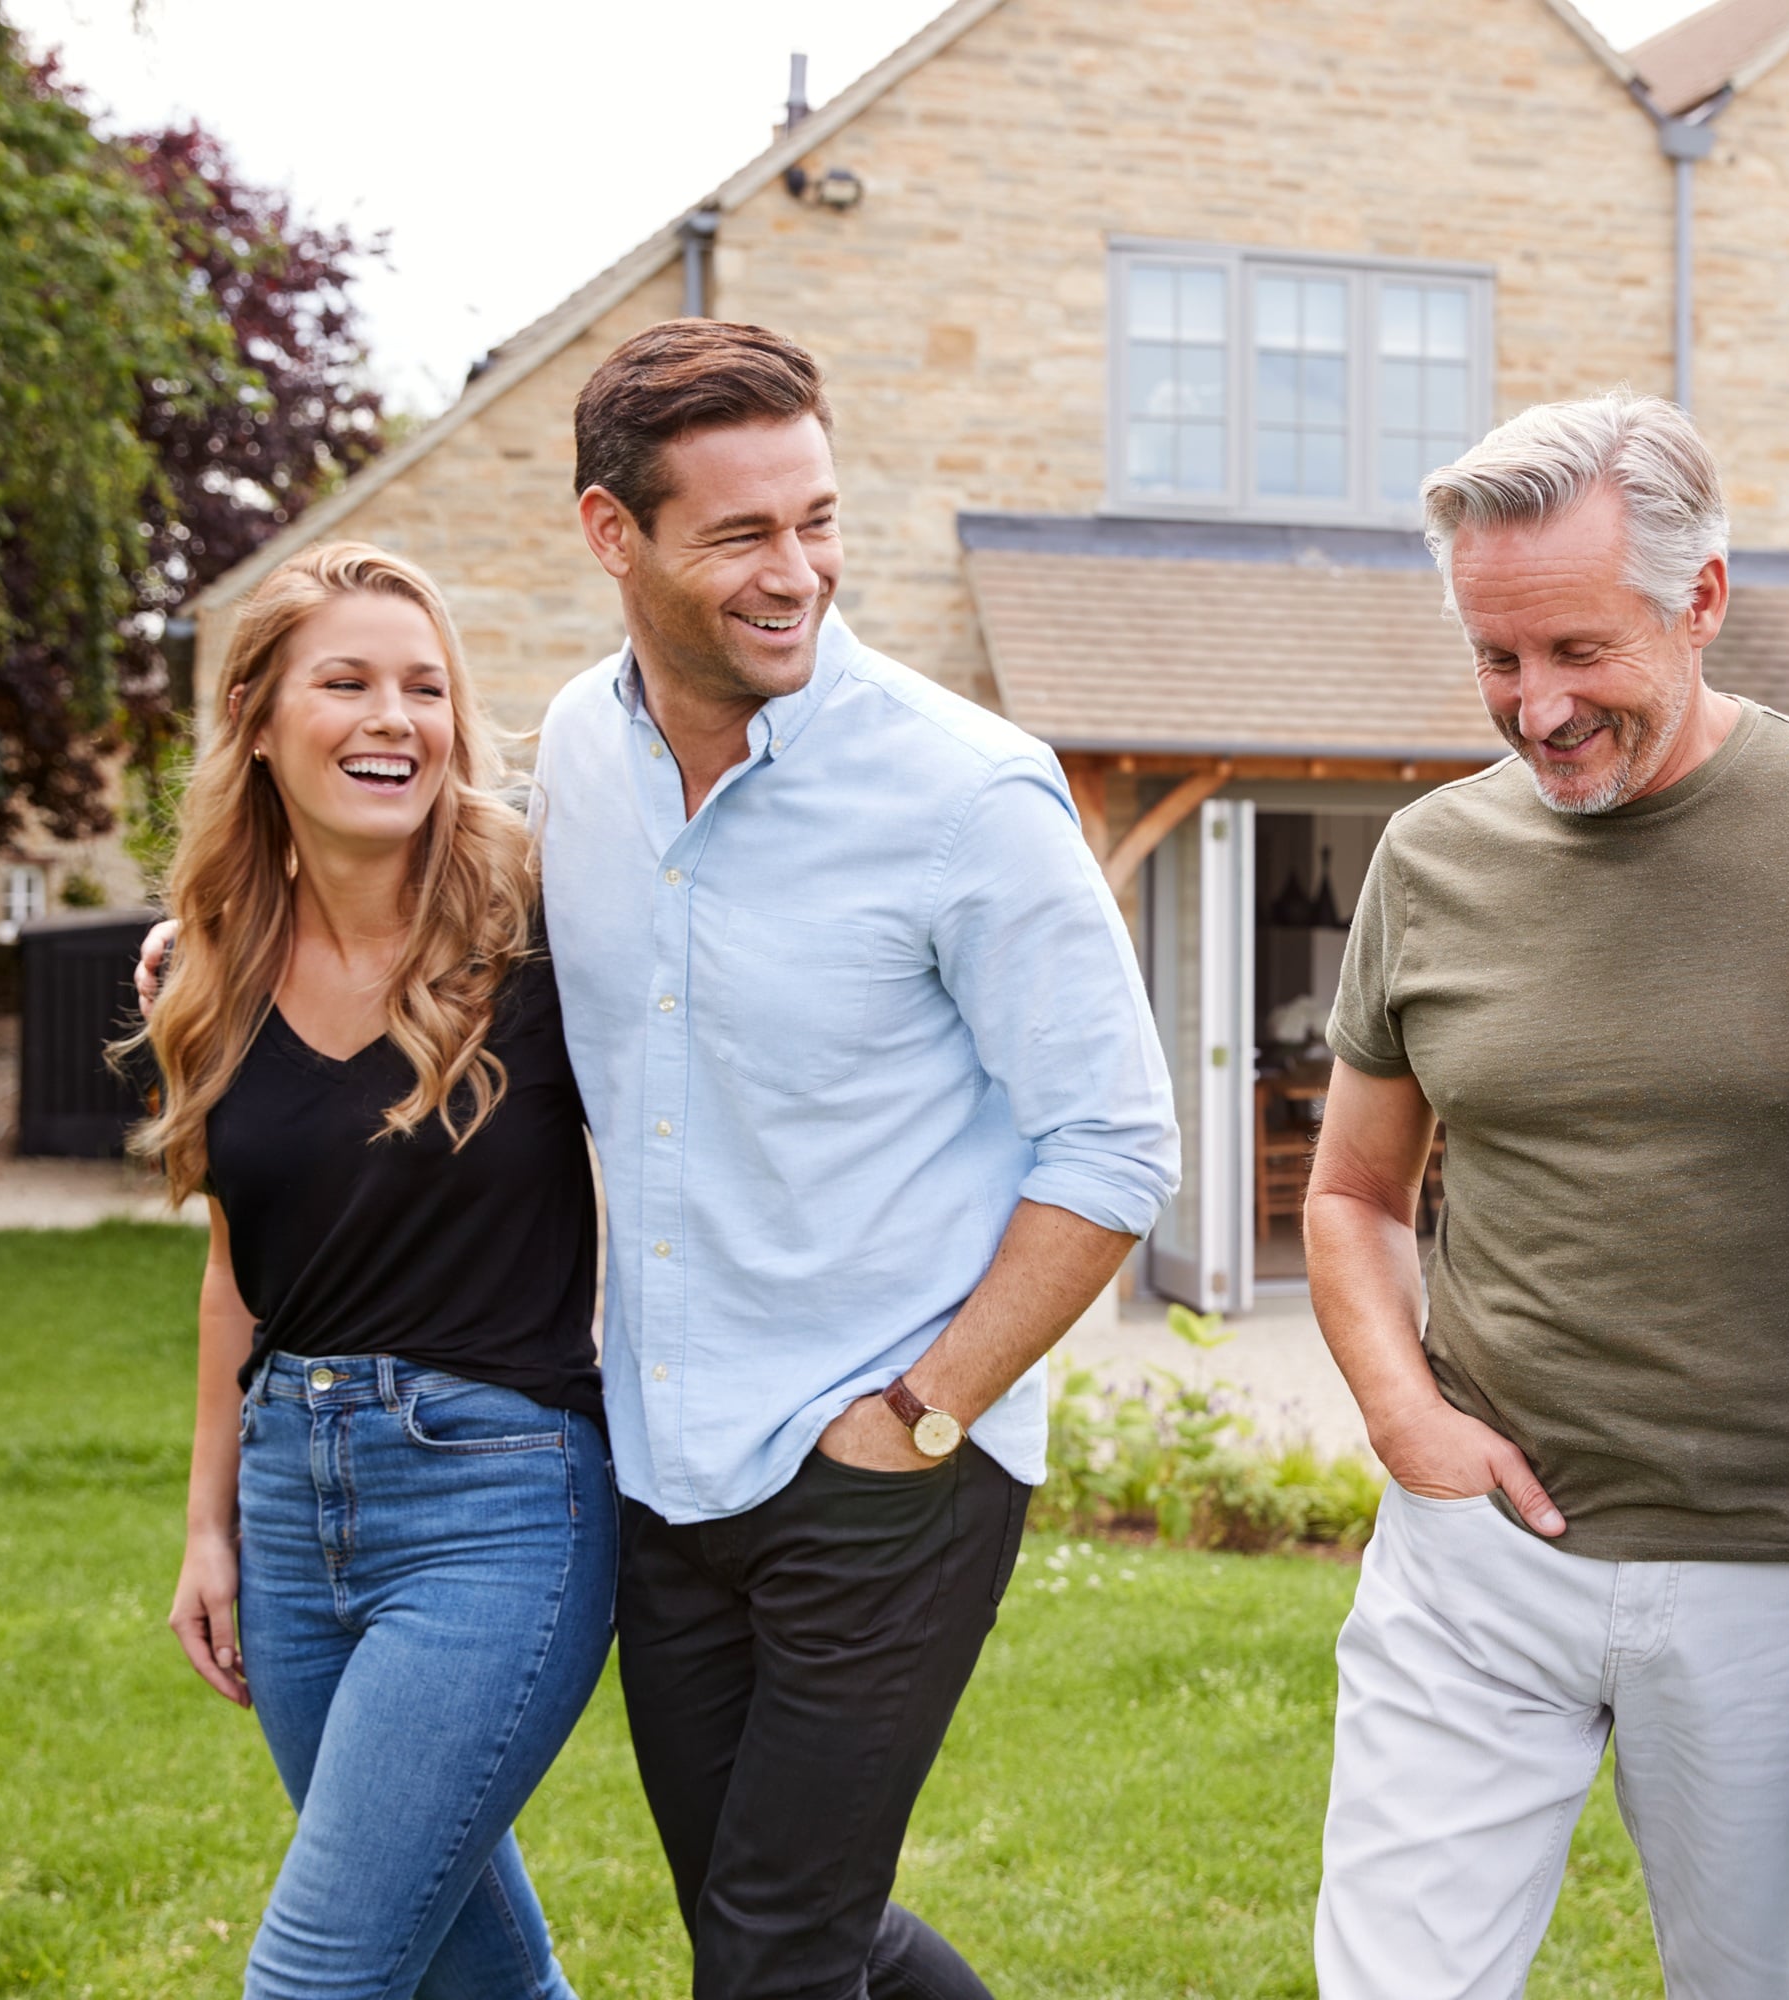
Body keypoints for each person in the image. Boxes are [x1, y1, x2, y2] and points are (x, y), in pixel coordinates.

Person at [538, 320, 1178, 1999]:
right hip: (668, 1458)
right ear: (613, 534)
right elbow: (439, 915)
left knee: (772, 1955)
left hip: (890, 1463)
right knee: (781, 1927)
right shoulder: (576, 757)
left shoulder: (967, 793)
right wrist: (217, 934)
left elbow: (1115, 1142)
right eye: (742, 533)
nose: (797, 573)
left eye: (818, 520)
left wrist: (926, 1409)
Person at [1304, 392, 1789, 2000]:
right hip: (1477, 1560)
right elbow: (1353, 1197)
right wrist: (1406, 1420)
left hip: (1786, 1576)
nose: (1536, 709)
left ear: (1704, 601)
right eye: (1498, 660)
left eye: (1580, 652)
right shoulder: (1430, 858)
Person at [136, 543, 612, 1999]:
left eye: (424, 687)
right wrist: (208, 1524)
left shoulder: (545, 924)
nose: (391, 717)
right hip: (290, 1512)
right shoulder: (208, 967)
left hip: (500, 1502)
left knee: (316, 1977)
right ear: (260, 722)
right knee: (478, 1971)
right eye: (344, 682)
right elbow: (240, 1271)